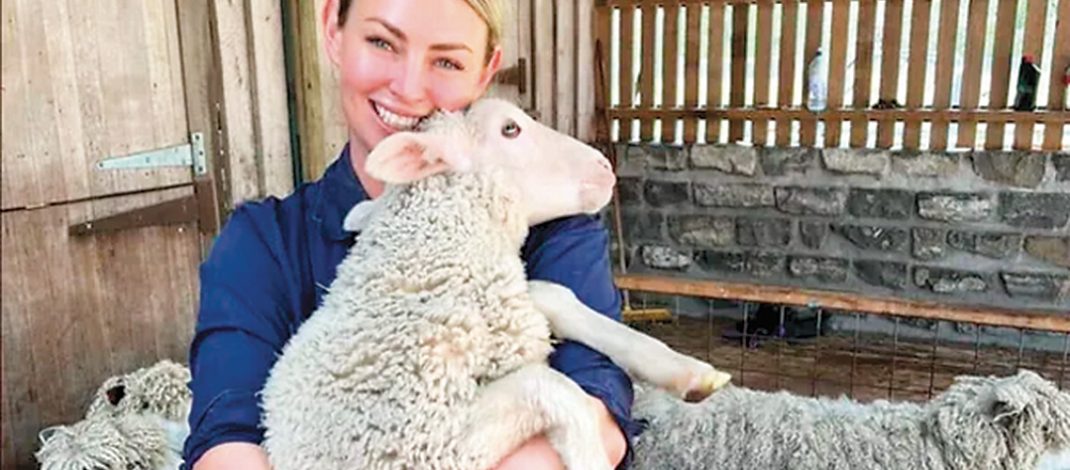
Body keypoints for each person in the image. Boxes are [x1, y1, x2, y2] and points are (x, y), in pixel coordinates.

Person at [182, 0, 640, 469]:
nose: (408, 88)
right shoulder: (264, 243)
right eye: (381, 42)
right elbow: (227, 437)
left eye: (447, 61)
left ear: (485, 71)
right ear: (333, 29)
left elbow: (597, 415)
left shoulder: (555, 235)